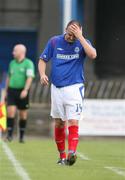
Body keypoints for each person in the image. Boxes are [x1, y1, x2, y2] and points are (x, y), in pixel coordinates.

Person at [38, 20, 97, 165]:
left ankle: (72, 152)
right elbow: (42, 60)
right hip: (56, 88)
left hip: (74, 88)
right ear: (65, 30)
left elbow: (93, 54)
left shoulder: (83, 42)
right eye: (70, 34)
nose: (71, 37)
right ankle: (62, 156)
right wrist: (42, 74)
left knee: (73, 120)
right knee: (59, 123)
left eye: (74, 35)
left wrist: (80, 37)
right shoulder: (54, 42)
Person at [6, 44, 35, 143]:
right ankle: (9, 135)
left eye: (15, 51)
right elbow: (9, 77)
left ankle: (21, 137)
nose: (13, 53)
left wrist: (25, 90)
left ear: (21, 52)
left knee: (23, 115)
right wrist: (6, 91)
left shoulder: (28, 63)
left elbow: (30, 77)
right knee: (10, 112)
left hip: (22, 91)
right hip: (12, 91)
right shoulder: (12, 63)